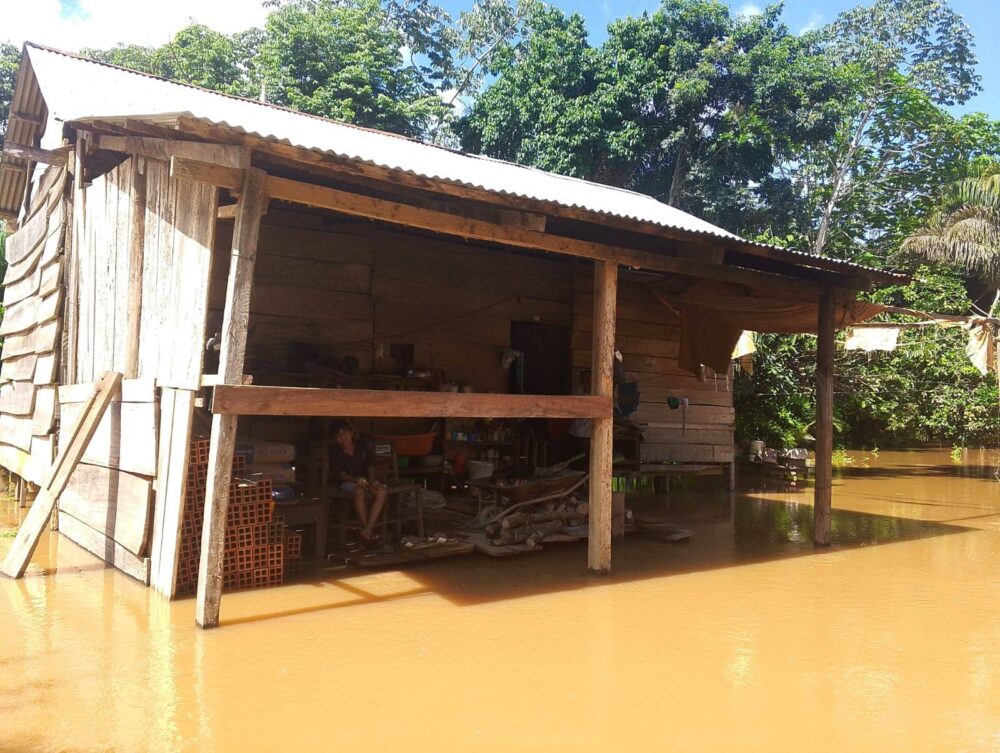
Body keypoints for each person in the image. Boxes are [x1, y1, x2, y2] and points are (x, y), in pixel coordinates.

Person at [329, 421, 388, 544]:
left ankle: (367, 529)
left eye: (345, 433)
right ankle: (367, 530)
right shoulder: (335, 452)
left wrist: (372, 481)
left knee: (381, 491)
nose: (343, 437)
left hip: (367, 480)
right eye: (339, 436)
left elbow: (370, 465)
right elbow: (342, 475)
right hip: (347, 483)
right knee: (358, 491)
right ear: (335, 439)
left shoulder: (362, 445)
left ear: (351, 433)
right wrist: (356, 480)